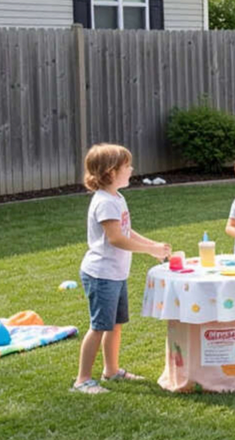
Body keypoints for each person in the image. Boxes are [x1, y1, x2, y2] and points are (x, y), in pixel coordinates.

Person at [72, 144, 171, 394]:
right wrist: (149, 251)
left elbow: (125, 231)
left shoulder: (117, 197)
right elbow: (116, 239)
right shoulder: (105, 202)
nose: (132, 169)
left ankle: (111, 371)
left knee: (115, 324)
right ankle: (82, 380)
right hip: (101, 274)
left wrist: (153, 245)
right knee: (99, 327)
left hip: (115, 274)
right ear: (110, 171)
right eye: (127, 166)